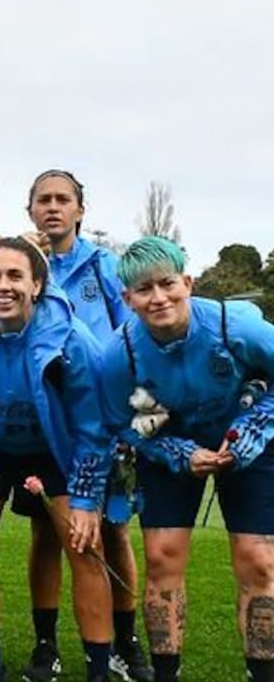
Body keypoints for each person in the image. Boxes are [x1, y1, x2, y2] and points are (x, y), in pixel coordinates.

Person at [0, 237, 113, 682]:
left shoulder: (72, 337)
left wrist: (87, 499)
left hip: (57, 447)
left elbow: (93, 426)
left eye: (15, 276)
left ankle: (99, 670)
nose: (3, 286)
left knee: (84, 545)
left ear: (37, 286)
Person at [100, 237, 274, 682]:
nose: (158, 298)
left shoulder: (236, 326)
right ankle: (165, 674)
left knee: (258, 560)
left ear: (188, 282)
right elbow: (129, 419)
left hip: (249, 438)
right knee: (161, 556)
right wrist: (177, 451)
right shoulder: (121, 353)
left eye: (167, 283)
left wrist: (252, 430)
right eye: (144, 290)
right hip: (174, 441)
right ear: (128, 299)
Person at [22, 170, 150, 682]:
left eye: (63, 200)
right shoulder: (21, 263)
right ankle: (45, 645)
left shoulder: (106, 266)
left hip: (105, 419)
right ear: (29, 209)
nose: (53, 208)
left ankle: (126, 643)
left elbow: (134, 335)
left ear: (81, 210)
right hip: (46, 422)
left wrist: (134, 413)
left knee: (114, 532)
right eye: (43, 200)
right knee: (46, 533)